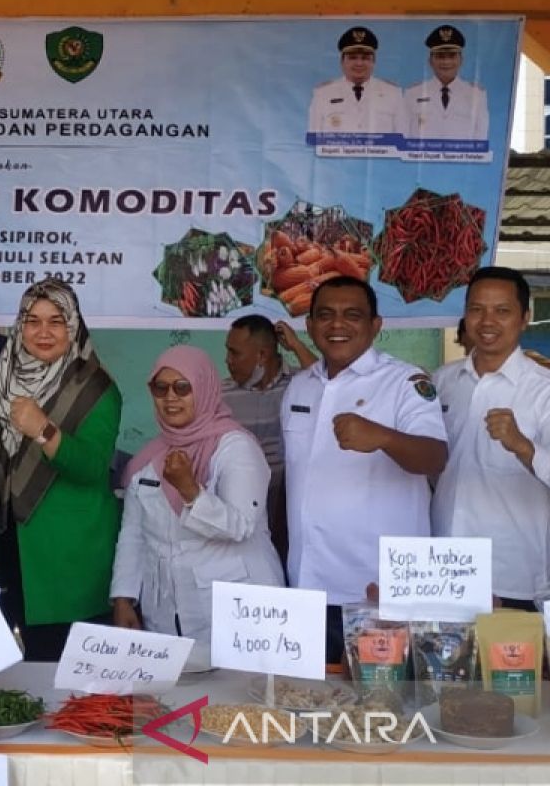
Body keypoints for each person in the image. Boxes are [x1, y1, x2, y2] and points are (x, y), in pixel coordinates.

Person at [282, 276, 447, 662]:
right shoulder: (299, 386)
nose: (337, 325)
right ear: (309, 326)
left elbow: (435, 457)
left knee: (382, 710)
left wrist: (385, 438)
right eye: (325, 315)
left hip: (376, 594)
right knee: (309, 706)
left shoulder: (405, 383)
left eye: (352, 315)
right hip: (307, 586)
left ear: (375, 325)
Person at [0, 278, 122, 662]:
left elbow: (92, 467)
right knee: (13, 670)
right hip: (7, 547)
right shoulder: (1, 379)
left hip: (68, 557)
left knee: (64, 672)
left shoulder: (97, 388)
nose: (43, 332)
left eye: (56, 321)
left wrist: (43, 429)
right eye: (32, 320)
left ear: (72, 326)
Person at [112, 346, 283, 645]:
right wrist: (124, 597)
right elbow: (133, 534)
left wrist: (190, 489)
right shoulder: (149, 458)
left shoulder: (236, 448)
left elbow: (240, 526)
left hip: (237, 606)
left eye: (182, 387)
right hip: (166, 611)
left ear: (204, 389)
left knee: (235, 690)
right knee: (175, 690)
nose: (170, 397)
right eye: (160, 387)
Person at [433, 268, 550, 610]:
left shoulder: (543, 390)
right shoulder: (443, 381)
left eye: (502, 311)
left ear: (525, 318)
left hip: (512, 569)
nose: (487, 321)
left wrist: (523, 446)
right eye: (477, 309)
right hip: (441, 565)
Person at [222, 315, 317, 566]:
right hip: (240, 507)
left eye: (235, 353)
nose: (227, 361)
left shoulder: (302, 382)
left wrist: (297, 346)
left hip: (293, 505)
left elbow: (331, 388)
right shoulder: (221, 395)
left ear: (262, 356)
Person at [308, 26, 404, 136]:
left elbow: (402, 138)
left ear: (374, 62)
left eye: (365, 58)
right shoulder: (323, 93)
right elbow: (313, 140)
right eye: (353, 57)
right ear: (342, 62)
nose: (359, 63)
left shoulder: (393, 93)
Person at [405, 25, 488, 142]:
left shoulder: (477, 94)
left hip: (462, 159)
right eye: (440, 56)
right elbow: (405, 135)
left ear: (461, 60)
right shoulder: (413, 93)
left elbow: (480, 138)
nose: (446, 61)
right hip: (423, 159)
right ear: (430, 61)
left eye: (452, 56)